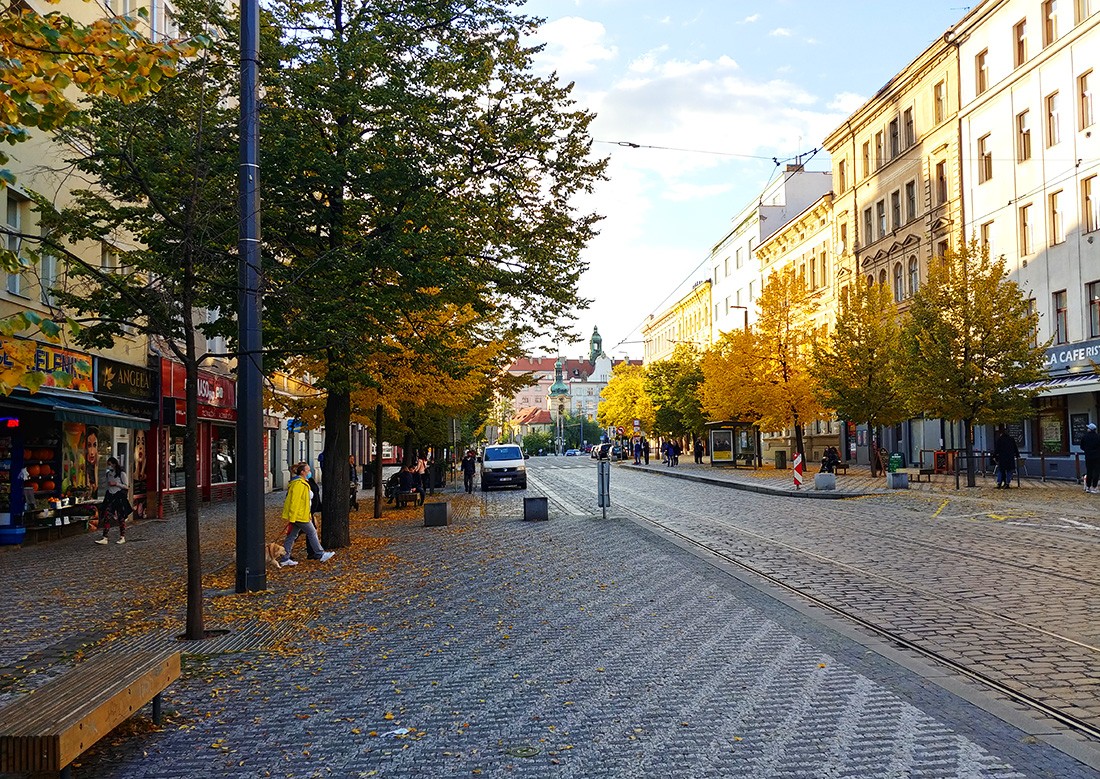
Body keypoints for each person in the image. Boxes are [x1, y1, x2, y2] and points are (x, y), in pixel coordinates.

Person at [280, 462, 334, 566]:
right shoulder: (299, 484)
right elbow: (294, 501)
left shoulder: (302, 482)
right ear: (303, 472)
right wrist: (293, 516)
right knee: (312, 532)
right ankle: (320, 553)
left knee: (292, 536)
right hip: (300, 515)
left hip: (301, 514)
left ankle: (285, 558)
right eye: (308, 470)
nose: (310, 472)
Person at [95, 456, 130, 545]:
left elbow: (126, 486)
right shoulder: (108, 474)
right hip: (110, 496)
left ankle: (122, 537)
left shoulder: (121, 474)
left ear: (114, 464)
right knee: (107, 516)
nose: (108, 466)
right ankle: (105, 537)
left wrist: (116, 484)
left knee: (120, 517)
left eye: (110, 464)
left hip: (118, 497)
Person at [1081, 422, 1100, 494]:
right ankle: (1094, 487)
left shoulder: (1085, 437)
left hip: (1088, 456)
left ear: (1090, 429)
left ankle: (1088, 487)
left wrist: (1087, 450)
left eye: (1088, 428)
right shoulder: (1098, 437)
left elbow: (1082, 446)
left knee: (1089, 471)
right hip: (1097, 457)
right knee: (1096, 471)